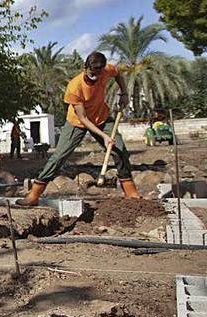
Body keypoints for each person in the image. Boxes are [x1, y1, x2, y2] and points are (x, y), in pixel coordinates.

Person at [17, 51, 139, 205]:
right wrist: (104, 136)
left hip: (102, 117)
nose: (94, 78)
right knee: (59, 157)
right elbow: (83, 118)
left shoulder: (106, 70)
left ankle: (131, 194)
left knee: (120, 150)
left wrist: (124, 93)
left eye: (98, 74)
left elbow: (118, 74)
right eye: (91, 73)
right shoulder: (74, 87)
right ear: (84, 68)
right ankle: (34, 195)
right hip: (77, 123)